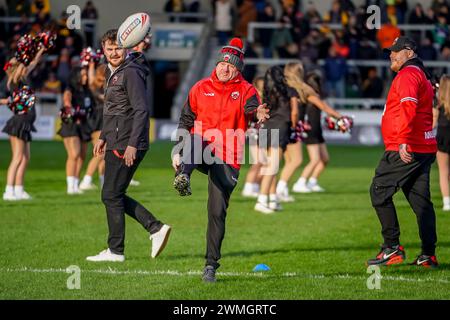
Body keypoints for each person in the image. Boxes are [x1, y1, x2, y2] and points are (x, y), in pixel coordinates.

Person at [171, 38, 269, 282]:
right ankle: (184, 174)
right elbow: (186, 121)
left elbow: (251, 108)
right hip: (200, 148)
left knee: (216, 212)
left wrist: (256, 113)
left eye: (231, 66)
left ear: (238, 69)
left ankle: (210, 266)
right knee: (195, 138)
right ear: (216, 65)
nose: (225, 69)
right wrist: (176, 150)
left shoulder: (246, 89)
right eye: (222, 64)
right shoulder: (199, 87)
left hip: (227, 157)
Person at [86, 29, 171, 262]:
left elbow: (141, 109)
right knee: (113, 194)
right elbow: (112, 109)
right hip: (116, 139)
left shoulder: (130, 72)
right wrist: (103, 136)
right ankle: (154, 229)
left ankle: (118, 249)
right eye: (109, 48)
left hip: (127, 142)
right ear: (103, 49)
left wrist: (133, 144)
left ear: (126, 48)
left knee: (111, 195)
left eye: (118, 48)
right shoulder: (112, 71)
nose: (113, 52)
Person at [367, 36, 438, 268]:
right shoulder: (421, 75)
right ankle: (428, 254)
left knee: (379, 190)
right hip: (423, 146)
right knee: (421, 203)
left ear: (409, 52)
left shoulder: (408, 74)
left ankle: (392, 247)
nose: (391, 55)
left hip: (407, 146)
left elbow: (408, 106)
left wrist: (404, 140)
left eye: (395, 51)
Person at [281, 62, 342, 194]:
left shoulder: (285, 88)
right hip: (293, 127)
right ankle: (277, 189)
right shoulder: (304, 91)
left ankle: (268, 191)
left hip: (279, 126)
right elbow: (297, 113)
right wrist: (342, 119)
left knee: (281, 161)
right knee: (296, 160)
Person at [2, 47, 46, 201]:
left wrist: (41, 50)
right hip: (19, 121)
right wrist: (24, 54)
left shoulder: (23, 79)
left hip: (24, 122)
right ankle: (8, 191)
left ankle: (19, 189)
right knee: (18, 157)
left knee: (25, 157)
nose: (23, 65)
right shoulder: (14, 80)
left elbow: (32, 63)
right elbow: (25, 63)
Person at [256, 66, 299, 213]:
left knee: (270, 166)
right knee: (272, 167)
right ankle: (261, 201)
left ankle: (273, 200)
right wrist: (294, 126)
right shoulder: (290, 91)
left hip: (265, 129)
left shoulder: (266, 94)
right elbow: (295, 112)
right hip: (280, 129)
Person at [58, 67, 94, 195]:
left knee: (82, 156)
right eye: (83, 75)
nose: (85, 77)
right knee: (74, 155)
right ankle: (70, 187)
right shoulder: (70, 88)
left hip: (83, 125)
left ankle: (76, 184)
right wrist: (68, 106)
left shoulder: (85, 90)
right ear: (77, 76)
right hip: (71, 124)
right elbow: (67, 98)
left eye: (86, 75)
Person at [79, 63, 106, 191]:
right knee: (100, 153)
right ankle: (86, 180)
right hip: (96, 123)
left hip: (104, 122)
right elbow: (104, 98)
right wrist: (90, 65)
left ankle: (103, 181)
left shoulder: (105, 86)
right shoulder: (94, 87)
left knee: (105, 155)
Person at [241, 76, 264, 198]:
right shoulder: (254, 99)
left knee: (264, 162)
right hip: (254, 133)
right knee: (258, 161)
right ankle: (249, 186)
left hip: (261, 132)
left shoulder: (261, 99)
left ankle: (255, 186)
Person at [434, 75, 450, 211]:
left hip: (443, 138)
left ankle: (447, 203)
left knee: (443, 172)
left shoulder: (438, 103)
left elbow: (432, 124)